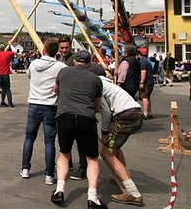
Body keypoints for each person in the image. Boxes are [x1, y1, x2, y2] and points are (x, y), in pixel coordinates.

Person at [51, 49, 107, 209]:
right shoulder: (96, 79)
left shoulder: (63, 72)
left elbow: (55, 89)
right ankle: (92, 196)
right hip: (86, 117)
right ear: (89, 63)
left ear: (75, 61)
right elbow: (97, 106)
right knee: (91, 157)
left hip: (65, 116)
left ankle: (59, 190)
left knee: (64, 153)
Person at [20, 38, 67, 185]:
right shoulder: (60, 66)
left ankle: (25, 168)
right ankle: (49, 174)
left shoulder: (34, 64)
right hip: (50, 104)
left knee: (29, 138)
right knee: (49, 141)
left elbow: (29, 75)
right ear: (57, 51)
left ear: (44, 50)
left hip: (34, 103)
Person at [97, 73, 145, 206]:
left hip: (125, 116)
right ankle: (121, 176)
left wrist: (104, 132)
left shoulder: (97, 85)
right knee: (114, 148)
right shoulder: (106, 83)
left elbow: (106, 112)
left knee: (107, 152)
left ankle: (133, 193)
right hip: (134, 113)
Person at [137, 50, 154, 119]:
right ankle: (149, 112)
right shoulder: (146, 60)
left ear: (138, 55)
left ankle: (145, 113)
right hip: (150, 81)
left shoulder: (142, 62)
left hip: (146, 82)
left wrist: (141, 82)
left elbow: (143, 72)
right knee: (147, 97)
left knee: (144, 97)